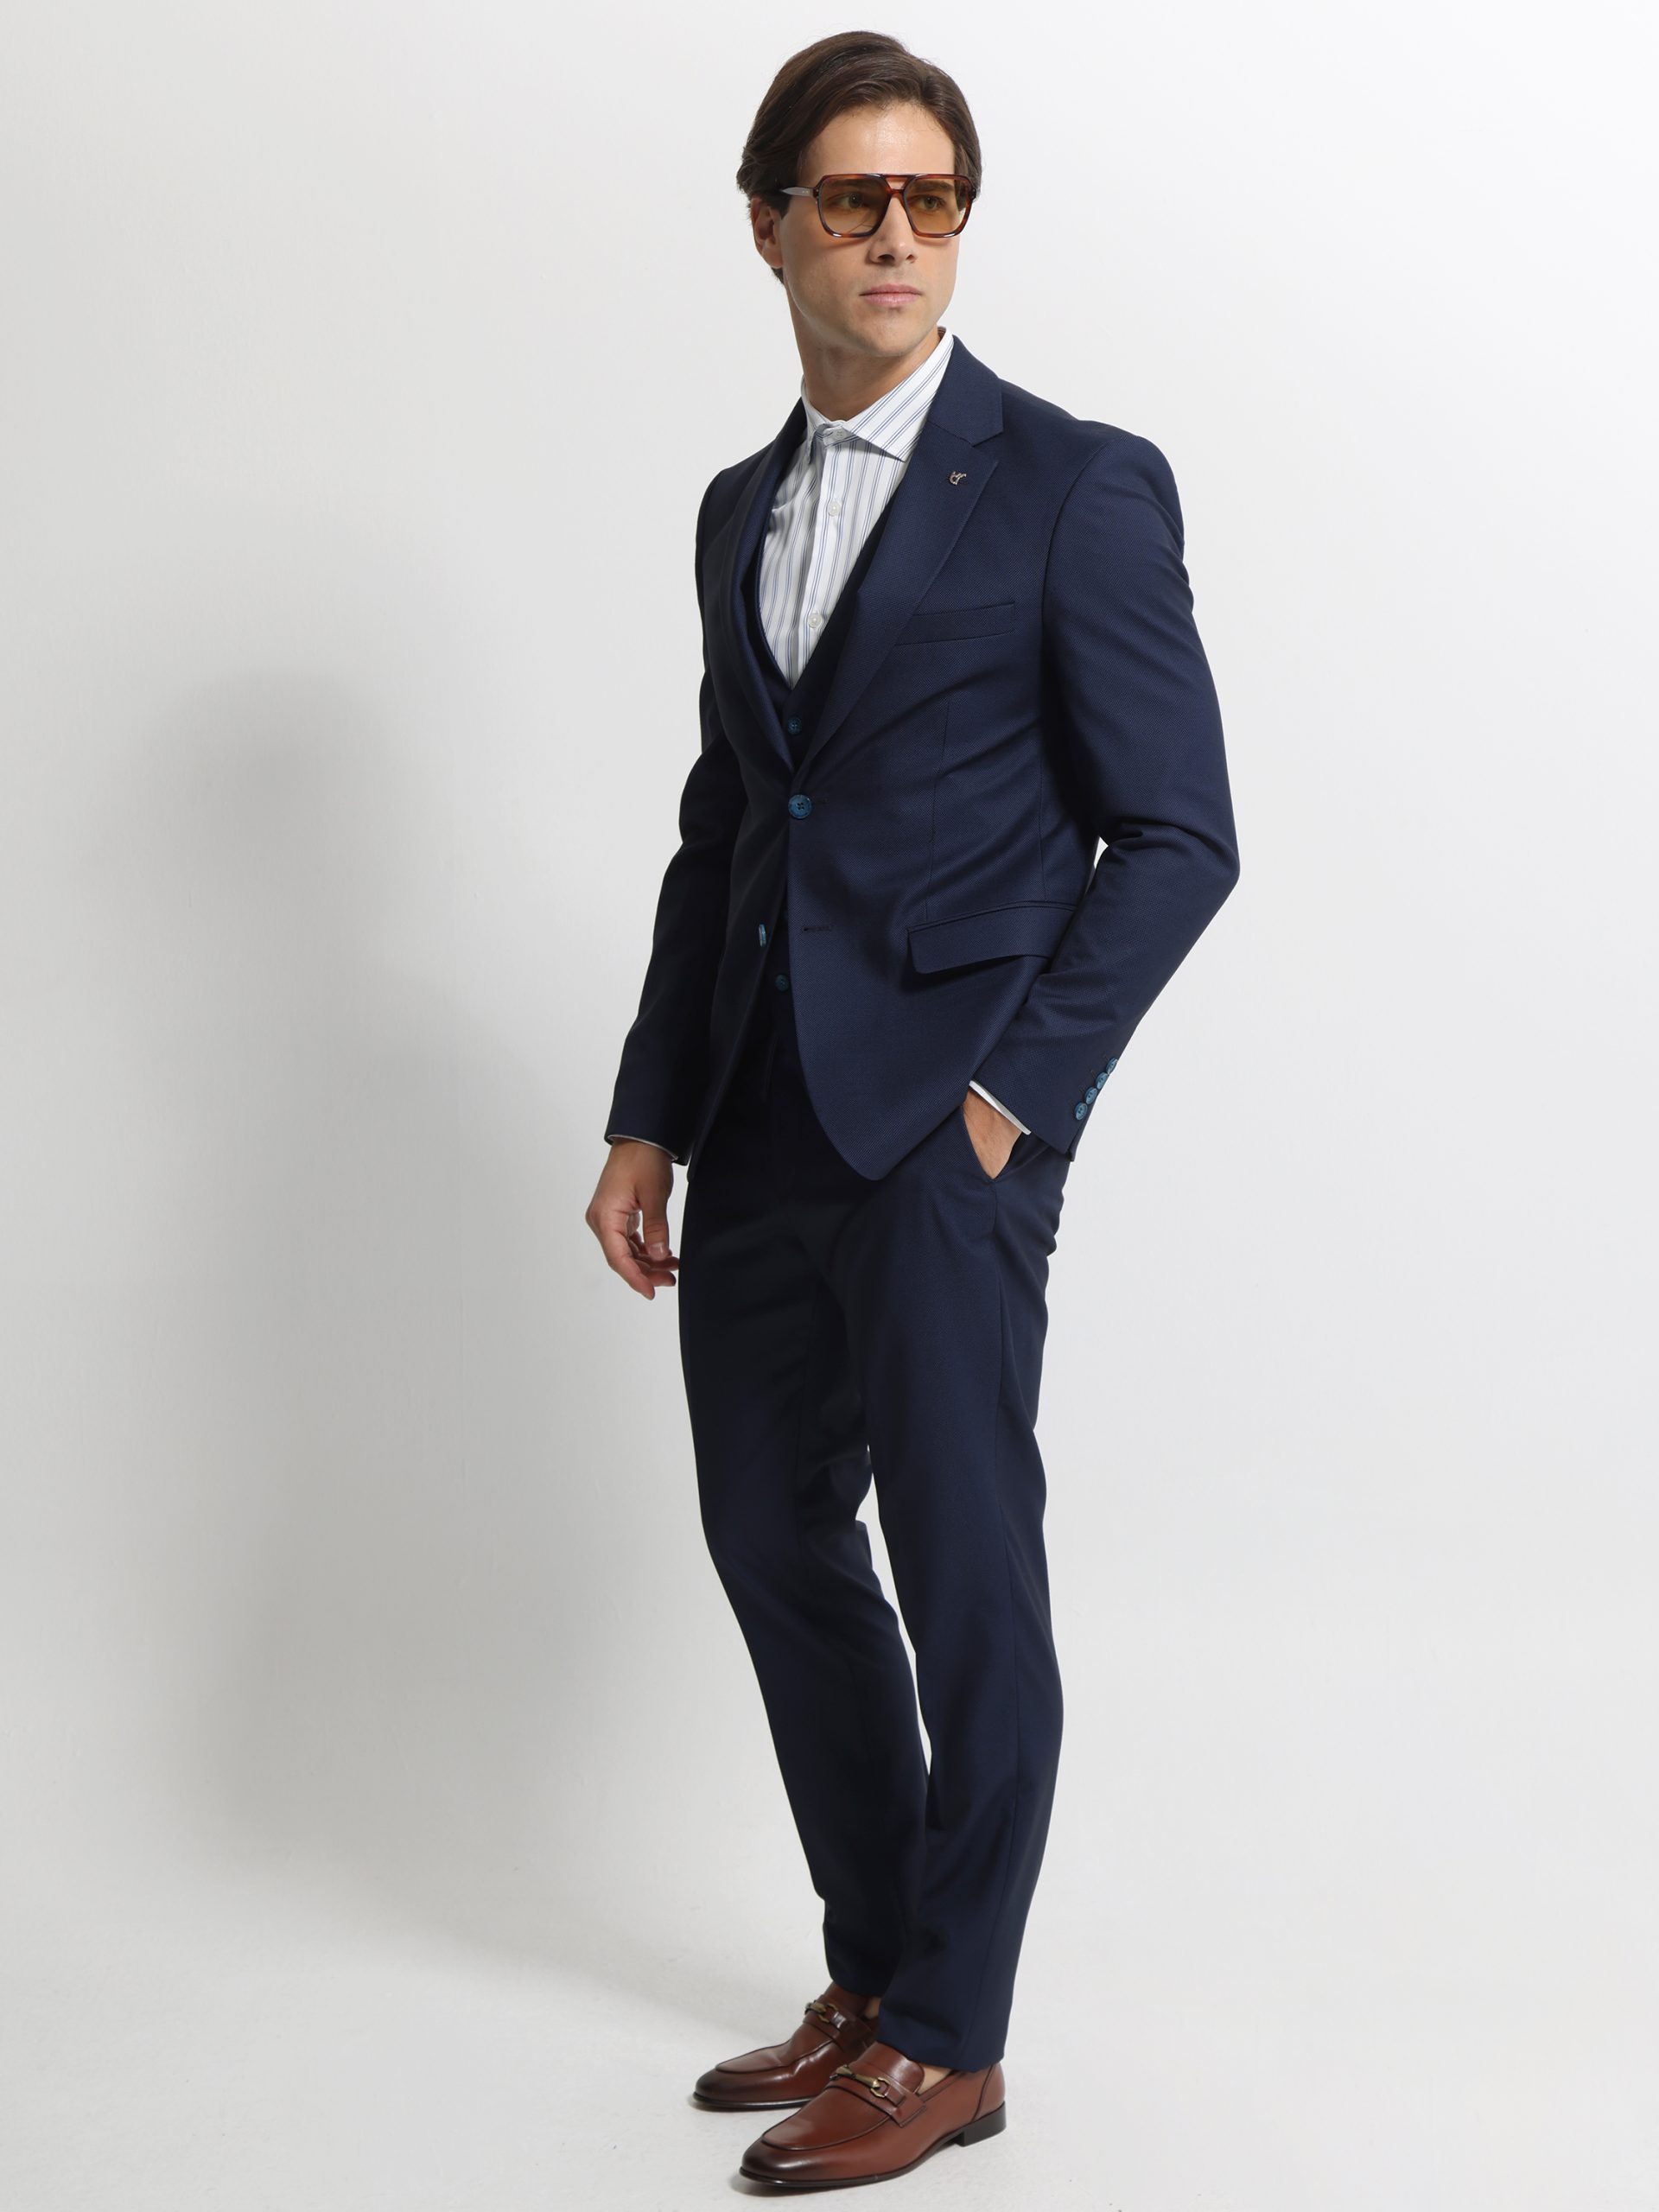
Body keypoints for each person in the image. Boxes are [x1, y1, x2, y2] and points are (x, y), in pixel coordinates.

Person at [584, 30, 1240, 2191]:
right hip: (760, 1117)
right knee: (771, 1537)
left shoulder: (1074, 483)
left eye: (931, 199)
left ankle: (955, 2034)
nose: (895, 235)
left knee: (970, 1582)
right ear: (768, 222)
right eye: (854, 197)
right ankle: (876, 1967)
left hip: (948, 1136)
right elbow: (726, 829)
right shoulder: (737, 507)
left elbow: (1180, 834)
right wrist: (650, 1112)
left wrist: (1008, 1105)